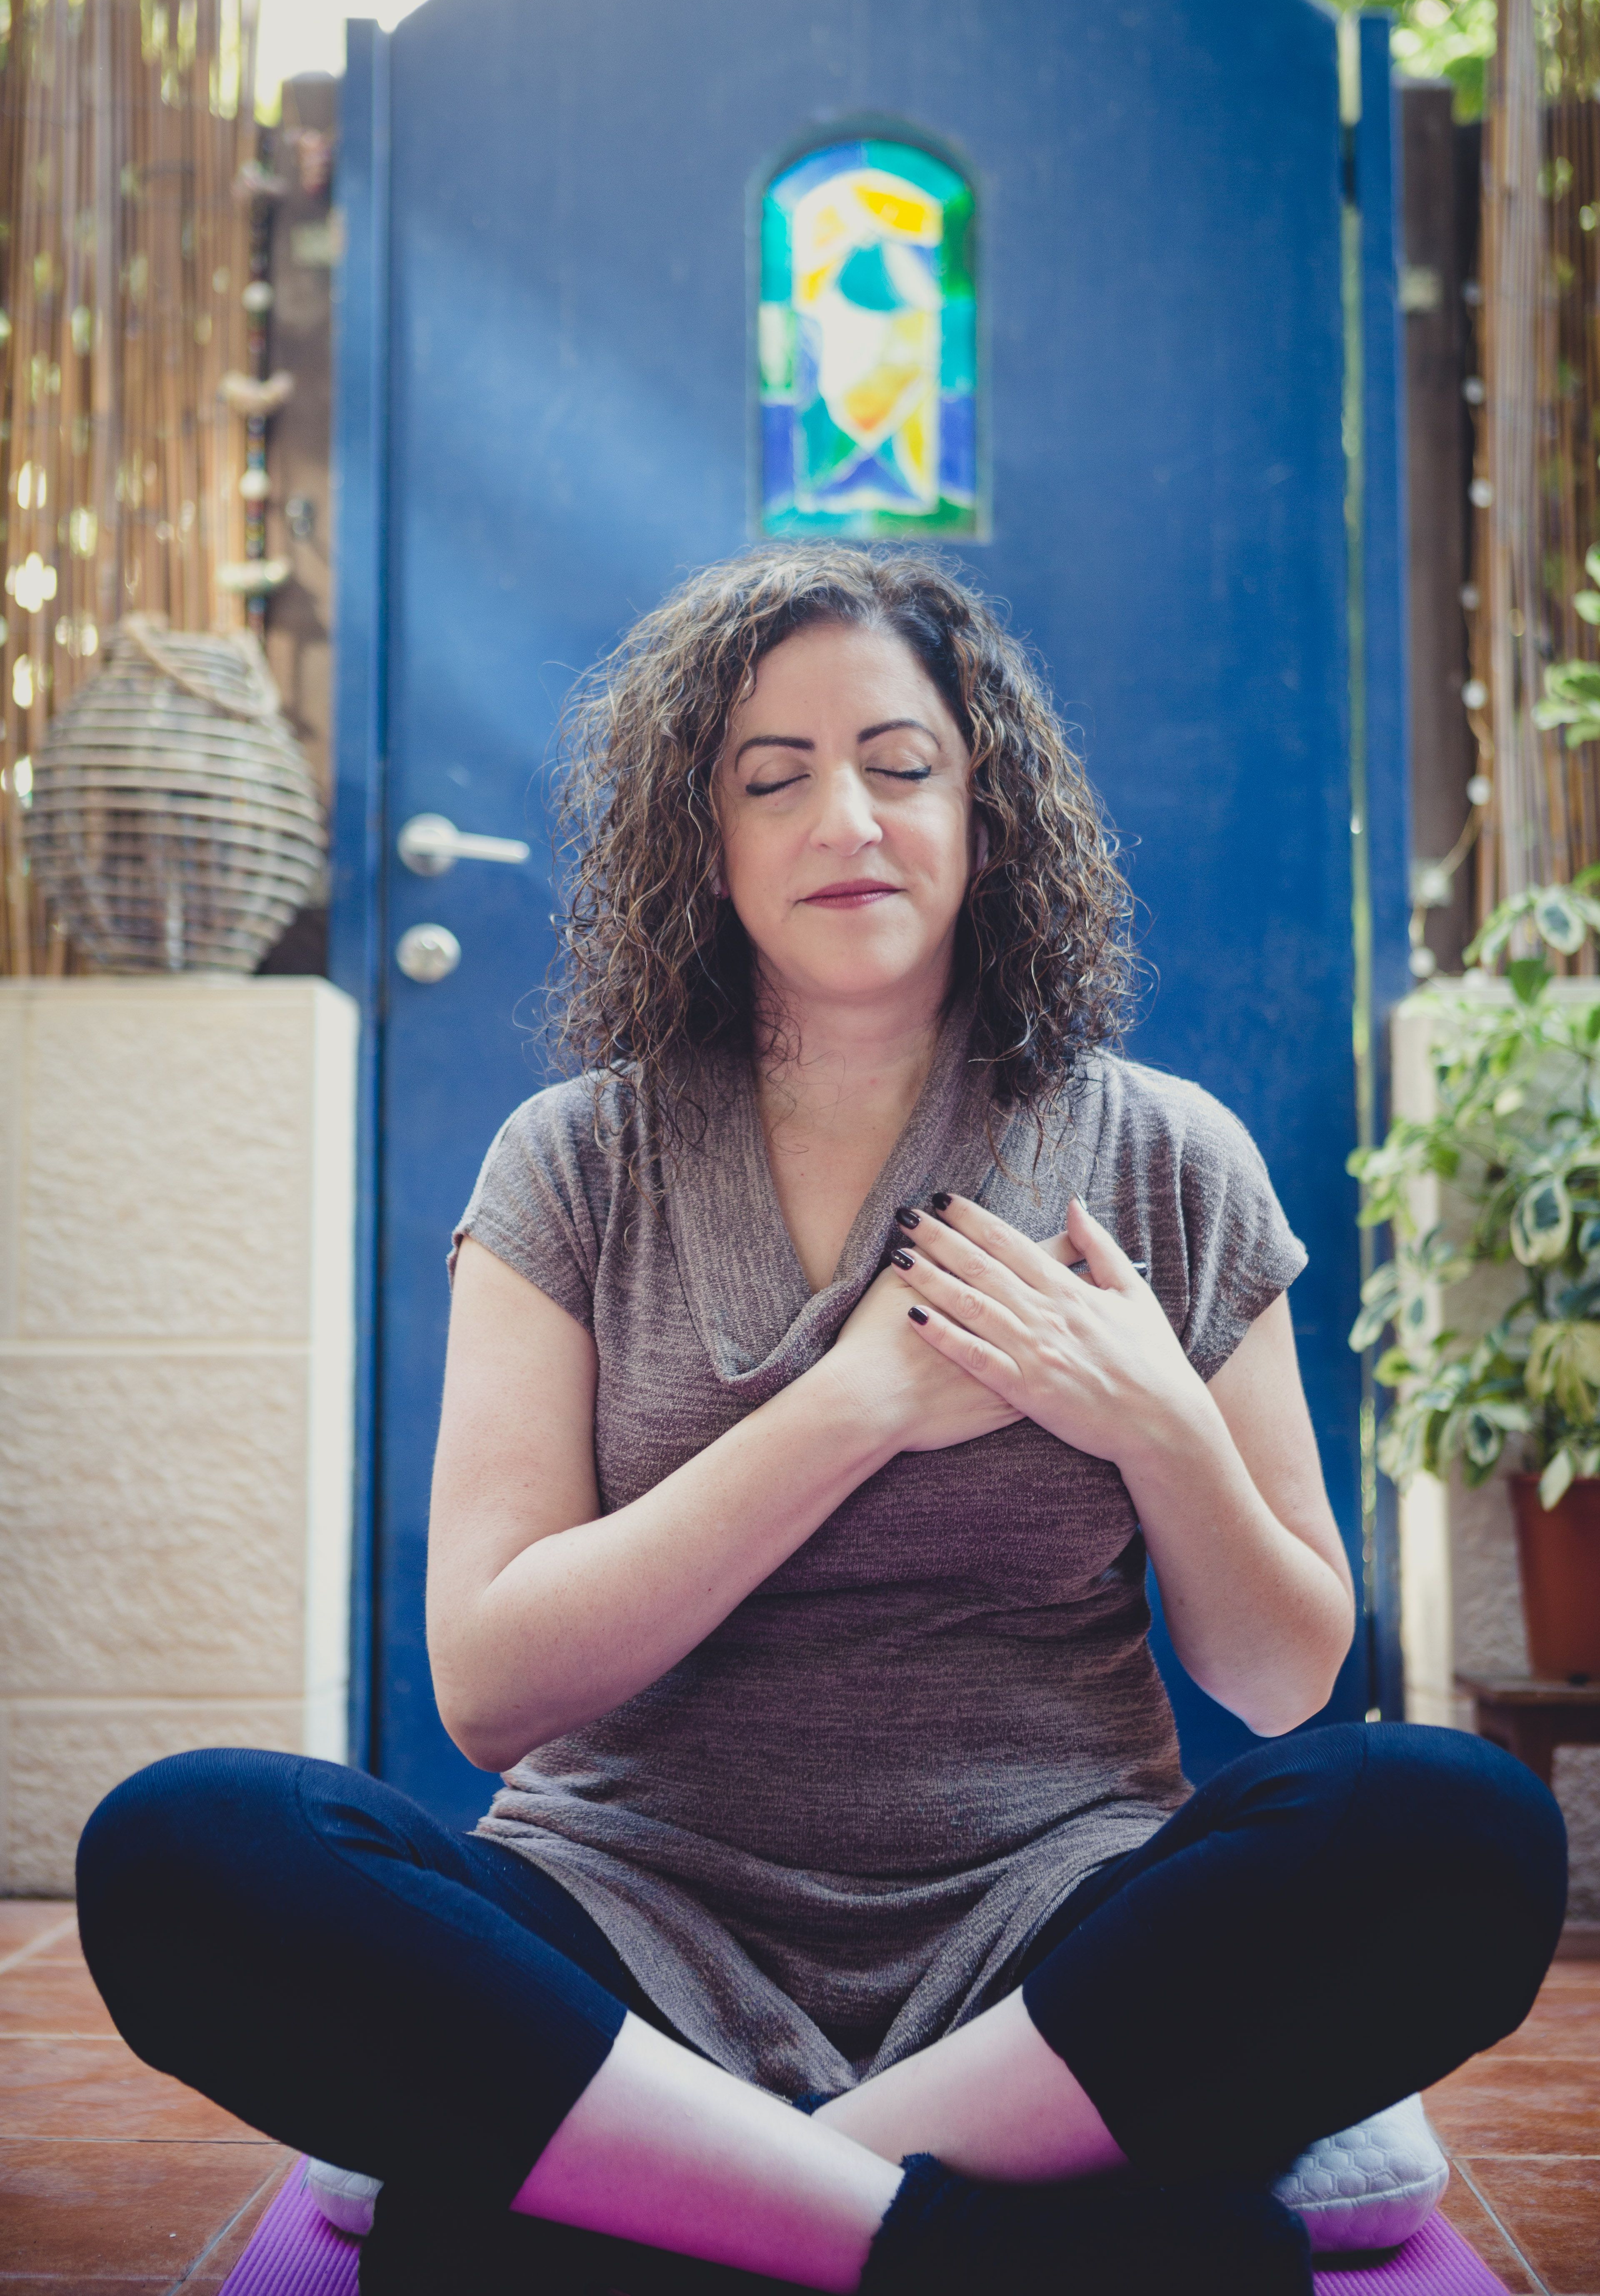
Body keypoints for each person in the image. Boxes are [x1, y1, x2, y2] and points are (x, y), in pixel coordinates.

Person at [78, 549, 1565, 2296]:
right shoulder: (573, 1163)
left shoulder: (1169, 1156)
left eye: (900, 763)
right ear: (700, 845)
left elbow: (1285, 1680)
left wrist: (1159, 1418)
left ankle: (688, 2207)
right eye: (771, 779)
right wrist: (850, 1409)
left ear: (987, 813)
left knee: (1454, 1828)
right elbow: (491, 1688)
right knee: (187, 1853)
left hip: (1047, 1954)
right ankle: (974, 2250)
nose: (845, 818)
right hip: (624, 1927)